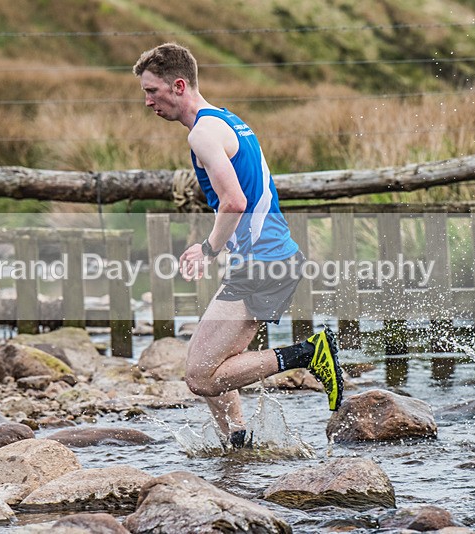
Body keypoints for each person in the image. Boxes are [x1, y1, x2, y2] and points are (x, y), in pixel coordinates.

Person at [133, 43, 344, 448]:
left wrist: (208, 249)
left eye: (152, 91)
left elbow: (234, 201)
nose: (147, 102)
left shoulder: (202, 134)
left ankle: (307, 354)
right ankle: (238, 440)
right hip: (268, 259)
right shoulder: (227, 120)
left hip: (264, 264)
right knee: (212, 361)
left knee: (200, 377)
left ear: (179, 86)